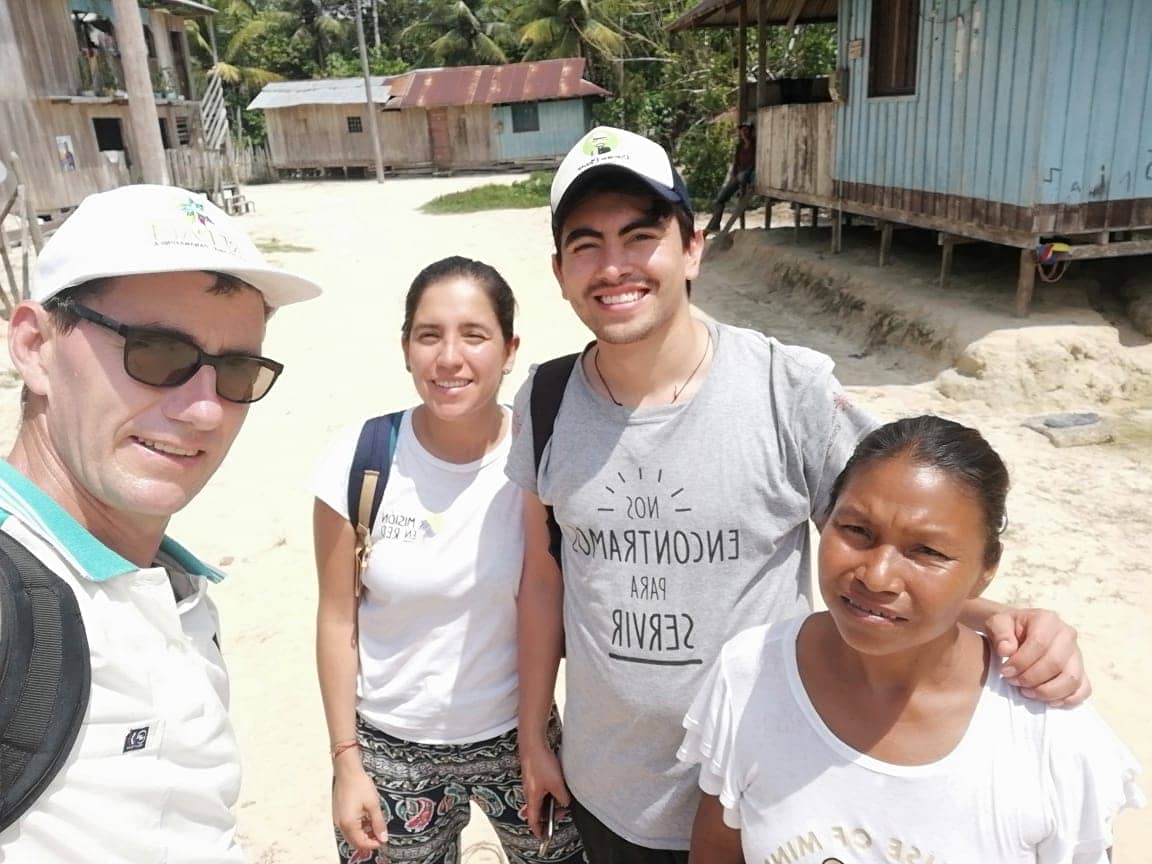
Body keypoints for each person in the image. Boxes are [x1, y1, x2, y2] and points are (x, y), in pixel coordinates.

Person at [507, 126, 1092, 864]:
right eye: (586, 245)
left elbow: (893, 546)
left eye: (641, 236)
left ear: (692, 250)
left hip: (775, 800)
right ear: (560, 272)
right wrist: (534, 735)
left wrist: (1008, 621)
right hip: (607, 790)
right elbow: (543, 578)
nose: (614, 266)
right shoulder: (546, 400)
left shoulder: (788, 391)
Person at [0, 184, 321, 861]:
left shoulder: (170, 584)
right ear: (34, 346)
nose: (204, 410)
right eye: (155, 352)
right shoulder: (12, 604)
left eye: (236, 370)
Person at [680, 415, 1145, 862]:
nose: (877, 576)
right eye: (856, 530)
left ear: (986, 569)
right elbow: (718, 848)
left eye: (926, 551)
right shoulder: (751, 674)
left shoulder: (1050, 735)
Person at [312, 256, 585, 864]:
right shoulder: (359, 458)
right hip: (391, 751)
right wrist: (347, 763)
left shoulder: (540, 458)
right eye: (429, 335)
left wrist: (535, 740)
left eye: (474, 335)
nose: (449, 358)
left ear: (510, 350)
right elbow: (336, 618)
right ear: (406, 347)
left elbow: (547, 598)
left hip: (519, 736)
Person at [703, 120, 756, 236]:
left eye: (746, 130)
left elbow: (754, 164)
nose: (744, 133)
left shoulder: (755, 146)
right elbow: (736, 164)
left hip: (749, 175)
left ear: (750, 131)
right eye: (742, 130)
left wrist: (745, 177)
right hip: (739, 176)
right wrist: (734, 175)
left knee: (744, 176)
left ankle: (741, 191)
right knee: (720, 199)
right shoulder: (740, 146)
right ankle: (714, 225)